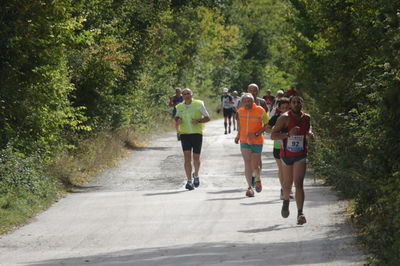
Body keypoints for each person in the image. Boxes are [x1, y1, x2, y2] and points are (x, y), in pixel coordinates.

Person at [271, 96, 315, 225]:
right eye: (294, 102)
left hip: (301, 154)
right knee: (287, 183)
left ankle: (300, 213)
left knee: (299, 183)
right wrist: (288, 134)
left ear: (302, 104)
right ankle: (286, 201)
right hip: (286, 154)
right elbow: (273, 135)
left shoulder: (306, 117)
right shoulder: (284, 117)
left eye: (298, 102)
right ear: (290, 104)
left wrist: (310, 134)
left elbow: (308, 128)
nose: (296, 104)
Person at [235, 93, 269, 197]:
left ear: (253, 101)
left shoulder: (260, 110)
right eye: (245, 101)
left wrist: (256, 134)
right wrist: (238, 135)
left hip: (257, 141)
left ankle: (258, 179)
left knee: (255, 165)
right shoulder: (240, 111)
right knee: (247, 163)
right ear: (242, 102)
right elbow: (240, 125)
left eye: (249, 101)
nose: (247, 103)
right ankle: (249, 187)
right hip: (244, 141)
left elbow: (267, 124)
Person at [175, 88, 210, 190]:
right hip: (185, 134)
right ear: (182, 96)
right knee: (187, 158)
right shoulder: (180, 106)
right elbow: (176, 117)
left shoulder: (199, 104)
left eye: (188, 93)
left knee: (196, 158)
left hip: (196, 134)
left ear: (192, 94)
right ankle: (189, 181)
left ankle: (196, 175)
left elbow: (207, 117)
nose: (187, 95)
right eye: (184, 94)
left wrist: (198, 121)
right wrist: (178, 120)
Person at [264, 97, 293, 200]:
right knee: (281, 168)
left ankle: (288, 189)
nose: (285, 109)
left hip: (291, 146)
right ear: (279, 108)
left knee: (291, 169)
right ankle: (283, 189)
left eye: (287, 107)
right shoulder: (276, 117)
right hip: (278, 146)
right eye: (283, 107)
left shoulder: (294, 117)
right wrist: (275, 132)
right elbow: (266, 128)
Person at [247, 83, 268, 190]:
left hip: (258, 135)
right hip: (246, 136)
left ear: (257, 92)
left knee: (257, 158)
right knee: (249, 158)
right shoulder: (243, 101)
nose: (252, 92)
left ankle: (257, 177)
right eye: (250, 90)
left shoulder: (262, 102)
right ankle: (252, 177)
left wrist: (260, 131)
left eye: (254, 90)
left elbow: (266, 119)